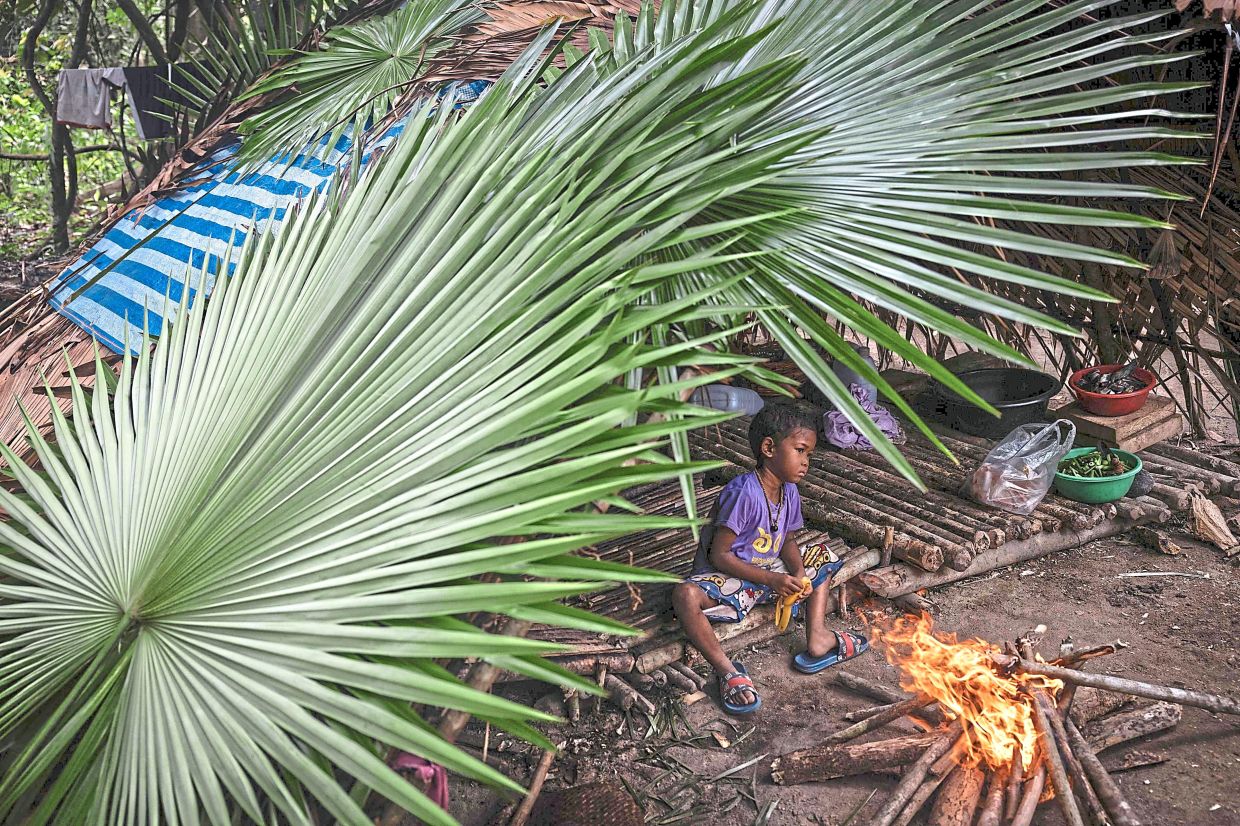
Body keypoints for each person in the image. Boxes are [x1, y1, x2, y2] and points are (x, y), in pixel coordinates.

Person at [671, 402, 869, 715]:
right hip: (733, 580)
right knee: (684, 595)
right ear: (769, 448)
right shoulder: (744, 492)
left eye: (809, 455)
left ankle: (817, 637)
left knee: (823, 554)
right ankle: (728, 671)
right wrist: (772, 579)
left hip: (770, 577)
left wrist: (800, 575)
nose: (806, 462)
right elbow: (718, 555)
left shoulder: (789, 490)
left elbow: (787, 540)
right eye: (800, 450)